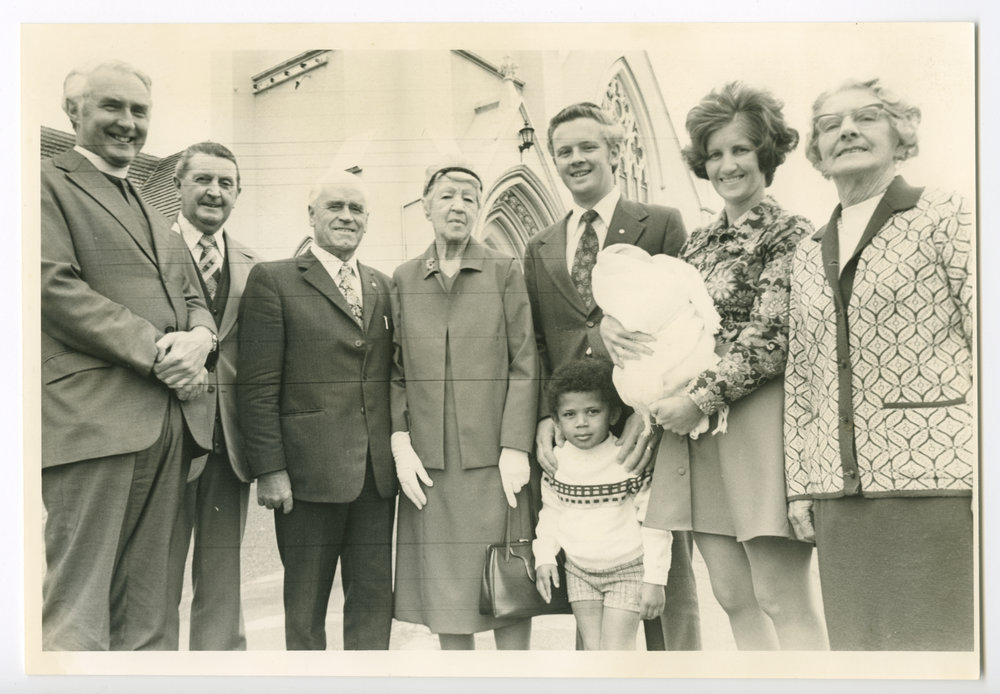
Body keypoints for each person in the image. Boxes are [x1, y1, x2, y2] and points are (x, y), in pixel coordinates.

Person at [606, 82, 827, 650]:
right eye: (715, 154)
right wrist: (615, 327)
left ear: (766, 154)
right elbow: (663, 319)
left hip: (756, 421)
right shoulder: (697, 243)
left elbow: (774, 334)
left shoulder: (790, 233)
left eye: (740, 150)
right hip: (697, 432)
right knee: (732, 595)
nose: (727, 165)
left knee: (779, 596)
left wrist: (697, 399)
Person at [784, 78, 975, 651]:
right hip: (838, 495)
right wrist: (800, 487)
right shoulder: (808, 250)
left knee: (939, 652)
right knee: (859, 654)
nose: (847, 131)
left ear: (900, 135)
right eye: (830, 125)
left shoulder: (946, 214)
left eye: (865, 117)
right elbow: (802, 377)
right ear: (817, 151)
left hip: (940, 480)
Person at [40, 60, 217, 650]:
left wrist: (202, 339)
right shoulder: (41, 182)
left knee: (150, 614)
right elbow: (51, 288)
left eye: (139, 111)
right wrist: (161, 351)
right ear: (74, 111)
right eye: (112, 106)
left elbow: (193, 298)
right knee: (80, 611)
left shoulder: (153, 208)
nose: (128, 122)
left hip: (171, 424)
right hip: (96, 422)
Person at [523, 102, 700, 650]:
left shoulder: (660, 223)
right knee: (589, 563)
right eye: (564, 152)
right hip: (578, 424)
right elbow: (538, 342)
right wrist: (547, 417)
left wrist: (656, 412)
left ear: (615, 152)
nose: (576, 159)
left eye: (588, 147)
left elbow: (690, 319)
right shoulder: (540, 246)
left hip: (649, 417)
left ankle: (679, 676)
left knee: (664, 570)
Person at [237, 171, 397, 650]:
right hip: (307, 478)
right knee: (306, 612)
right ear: (312, 215)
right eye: (335, 207)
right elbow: (258, 386)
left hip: (374, 477)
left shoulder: (383, 284)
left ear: (367, 220)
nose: (346, 217)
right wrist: (270, 470)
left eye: (356, 209)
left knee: (372, 605)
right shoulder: (274, 279)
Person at [390, 159, 537, 650]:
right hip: (431, 468)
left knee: (507, 588)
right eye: (447, 196)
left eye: (469, 198)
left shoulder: (504, 269)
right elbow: (394, 369)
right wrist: (400, 442)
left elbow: (525, 361)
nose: (458, 206)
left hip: (495, 465)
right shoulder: (404, 278)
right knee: (448, 598)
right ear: (426, 205)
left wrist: (515, 446)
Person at [164, 142, 261, 650]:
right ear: (178, 185)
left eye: (226, 183)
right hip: (166, 435)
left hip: (228, 442)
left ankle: (220, 670)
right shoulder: (150, 248)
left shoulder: (253, 264)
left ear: (238, 193)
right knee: (155, 575)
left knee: (223, 578)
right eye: (203, 179)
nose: (214, 192)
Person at [533, 359, 671, 650]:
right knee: (594, 652)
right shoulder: (557, 463)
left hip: (627, 570)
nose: (581, 423)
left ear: (613, 414)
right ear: (556, 421)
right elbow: (551, 514)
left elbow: (654, 520)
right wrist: (544, 556)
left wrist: (655, 579)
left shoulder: (629, 460)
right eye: (569, 414)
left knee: (617, 653)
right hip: (579, 572)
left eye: (593, 411)